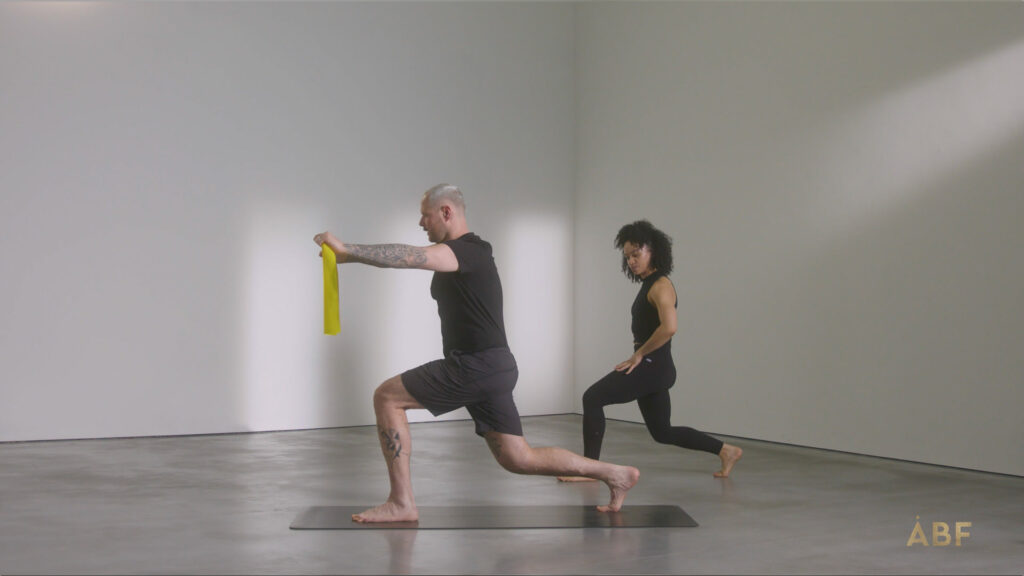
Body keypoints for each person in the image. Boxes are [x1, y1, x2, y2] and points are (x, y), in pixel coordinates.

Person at [314, 184, 639, 523]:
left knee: (386, 398)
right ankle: (615, 473)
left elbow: (410, 256)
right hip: (492, 366)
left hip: (476, 365)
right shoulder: (466, 253)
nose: (421, 223)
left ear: (446, 212)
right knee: (518, 458)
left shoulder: (468, 250)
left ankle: (402, 502)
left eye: (425, 215)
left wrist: (347, 248)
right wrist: (348, 257)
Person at [559, 220, 742, 482]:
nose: (632, 261)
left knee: (592, 398)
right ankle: (726, 450)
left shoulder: (661, 286)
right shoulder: (649, 284)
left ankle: (591, 469)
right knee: (662, 432)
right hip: (656, 368)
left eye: (637, 254)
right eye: (628, 257)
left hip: (653, 367)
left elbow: (670, 328)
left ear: (653, 250)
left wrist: (639, 354)